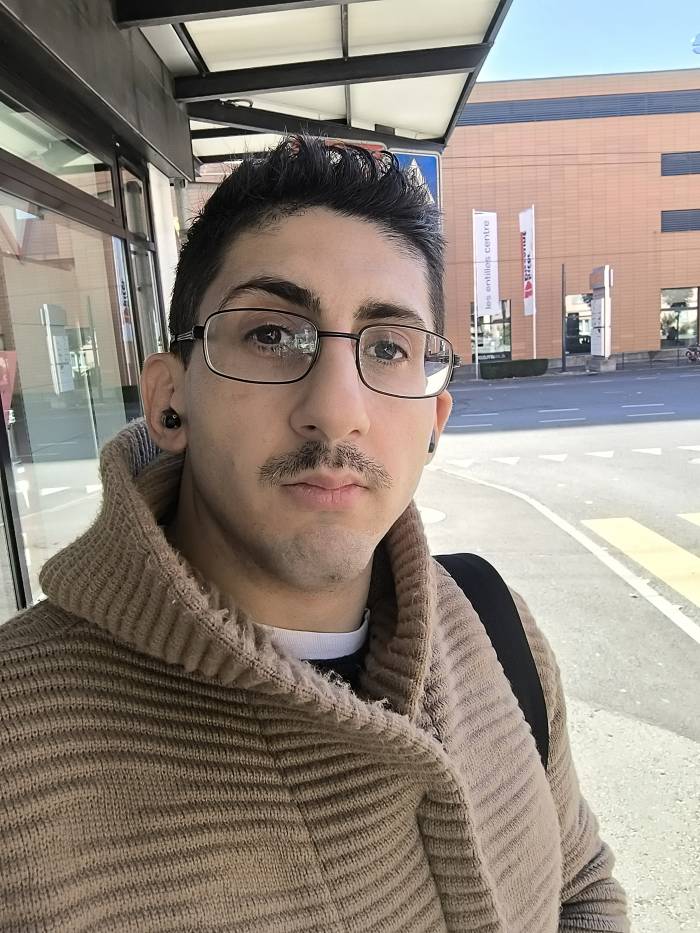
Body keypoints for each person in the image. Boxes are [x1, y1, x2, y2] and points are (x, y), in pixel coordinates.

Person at [0, 136, 629, 931]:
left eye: (389, 347)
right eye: (271, 335)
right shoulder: (18, 754)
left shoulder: (492, 624)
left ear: (434, 421)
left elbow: (580, 882)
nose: (336, 409)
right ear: (169, 401)